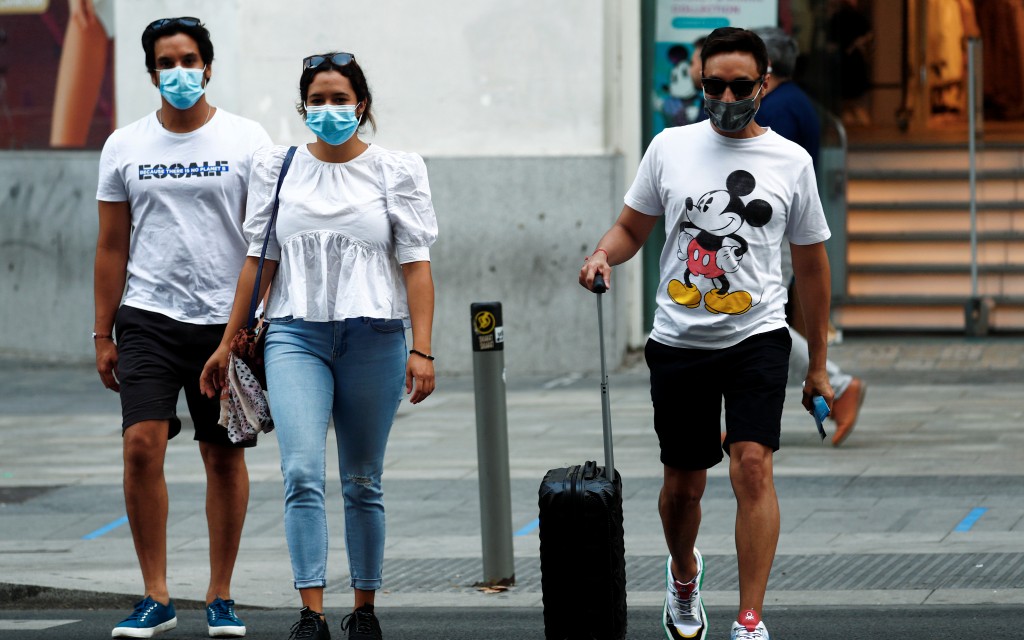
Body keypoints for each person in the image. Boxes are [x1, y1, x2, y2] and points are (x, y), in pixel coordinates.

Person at [579, 27, 833, 640]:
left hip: (758, 335)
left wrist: (818, 363)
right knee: (683, 487)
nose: (725, 95)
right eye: (713, 84)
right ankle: (685, 572)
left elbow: (811, 265)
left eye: (739, 85)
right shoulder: (669, 147)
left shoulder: (789, 161)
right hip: (679, 340)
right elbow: (632, 228)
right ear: (700, 82)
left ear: (763, 83)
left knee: (752, 466)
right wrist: (601, 256)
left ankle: (749, 619)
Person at [199, 51, 438, 640]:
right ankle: (311, 611)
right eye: (317, 100)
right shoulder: (277, 168)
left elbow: (416, 264)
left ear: (362, 105)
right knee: (301, 472)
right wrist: (228, 343)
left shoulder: (397, 169)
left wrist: (423, 348)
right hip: (294, 335)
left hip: (376, 336)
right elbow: (259, 259)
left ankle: (364, 609)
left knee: (362, 479)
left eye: (339, 99)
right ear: (302, 106)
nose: (328, 110)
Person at [93, 16, 271, 638]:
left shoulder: (248, 139)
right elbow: (111, 247)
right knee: (141, 445)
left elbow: (263, 242)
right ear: (151, 73)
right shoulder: (124, 145)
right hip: (147, 318)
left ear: (209, 66)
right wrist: (102, 333)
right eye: (166, 62)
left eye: (189, 59)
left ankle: (220, 595)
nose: (179, 72)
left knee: (221, 456)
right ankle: (156, 595)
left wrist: (246, 324)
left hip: (226, 325)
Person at [753, 26, 866, 446]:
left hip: (774, 232)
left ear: (764, 67)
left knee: (759, 320)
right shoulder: (791, 101)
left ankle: (840, 383)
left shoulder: (777, 109)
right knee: (755, 319)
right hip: (778, 229)